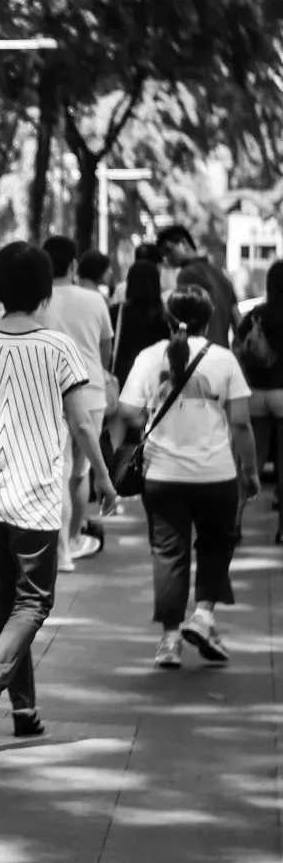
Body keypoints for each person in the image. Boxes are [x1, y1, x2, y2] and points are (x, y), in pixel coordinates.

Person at [0, 242, 116, 748]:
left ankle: (24, 709)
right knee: (33, 602)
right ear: (45, 290)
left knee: (7, 600)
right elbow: (82, 424)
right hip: (34, 495)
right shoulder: (57, 347)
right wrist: (104, 480)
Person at [120, 286, 259, 668]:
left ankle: (169, 641)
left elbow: (128, 411)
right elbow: (242, 422)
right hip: (216, 475)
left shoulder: (149, 358)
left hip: (162, 475)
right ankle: (203, 616)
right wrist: (249, 470)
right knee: (217, 544)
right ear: (209, 317)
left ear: (168, 318)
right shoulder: (224, 360)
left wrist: (154, 417)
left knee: (169, 553)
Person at [40, 235, 113, 567]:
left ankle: (61, 552)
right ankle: (72, 538)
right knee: (80, 472)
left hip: (51, 391)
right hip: (91, 392)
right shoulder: (95, 300)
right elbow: (105, 351)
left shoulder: (39, 301)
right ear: (73, 266)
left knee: (59, 469)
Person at [108, 260, 173, 454]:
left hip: (121, 378)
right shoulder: (164, 316)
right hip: (154, 382)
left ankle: (114, 475)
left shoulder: (116, 312)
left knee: (115, 444)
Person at [233, 260, 283, 495]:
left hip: (256, 394)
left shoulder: (258, 313)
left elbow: (237, 345)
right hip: (281, 394)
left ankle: (235, 522)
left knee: (254, 462)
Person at [159, 225, 239, 346]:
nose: (166, 258)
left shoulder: (186, 275)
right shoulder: (220, 274)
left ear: (183, 243)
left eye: (168, 250)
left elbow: (182, 321)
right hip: (222, 350)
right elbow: (237, 319)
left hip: (198, 352)